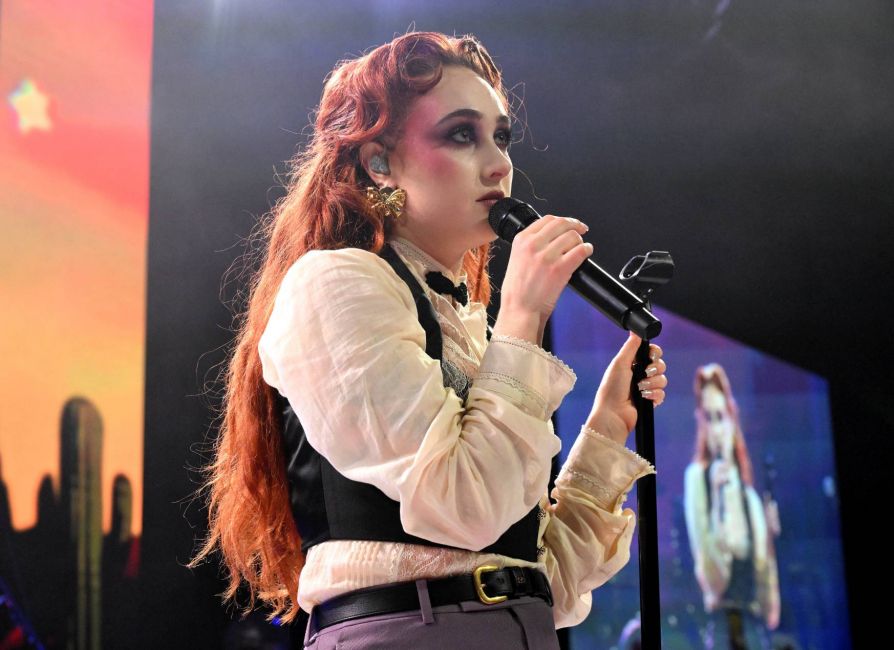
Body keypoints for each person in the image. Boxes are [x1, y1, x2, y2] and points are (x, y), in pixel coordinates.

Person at [190, 32, 669, 649]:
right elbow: (464, 506)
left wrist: (608, 422)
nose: (498, 164)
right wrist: (524, 311)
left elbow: (541, 576)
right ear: (379, 161)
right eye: (461, 134)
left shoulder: (465, 323)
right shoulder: (336, 284)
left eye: (501, 136)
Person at [683, 364, 781, 650]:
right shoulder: (697, 480)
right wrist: (717, 506)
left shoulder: (750, 498)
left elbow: (770, 607)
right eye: (709, 418)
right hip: (722, 629)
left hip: (755, 631)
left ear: (732, 420)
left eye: (721, 417)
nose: (716, 429)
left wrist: (771, 540)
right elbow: (712, 580)